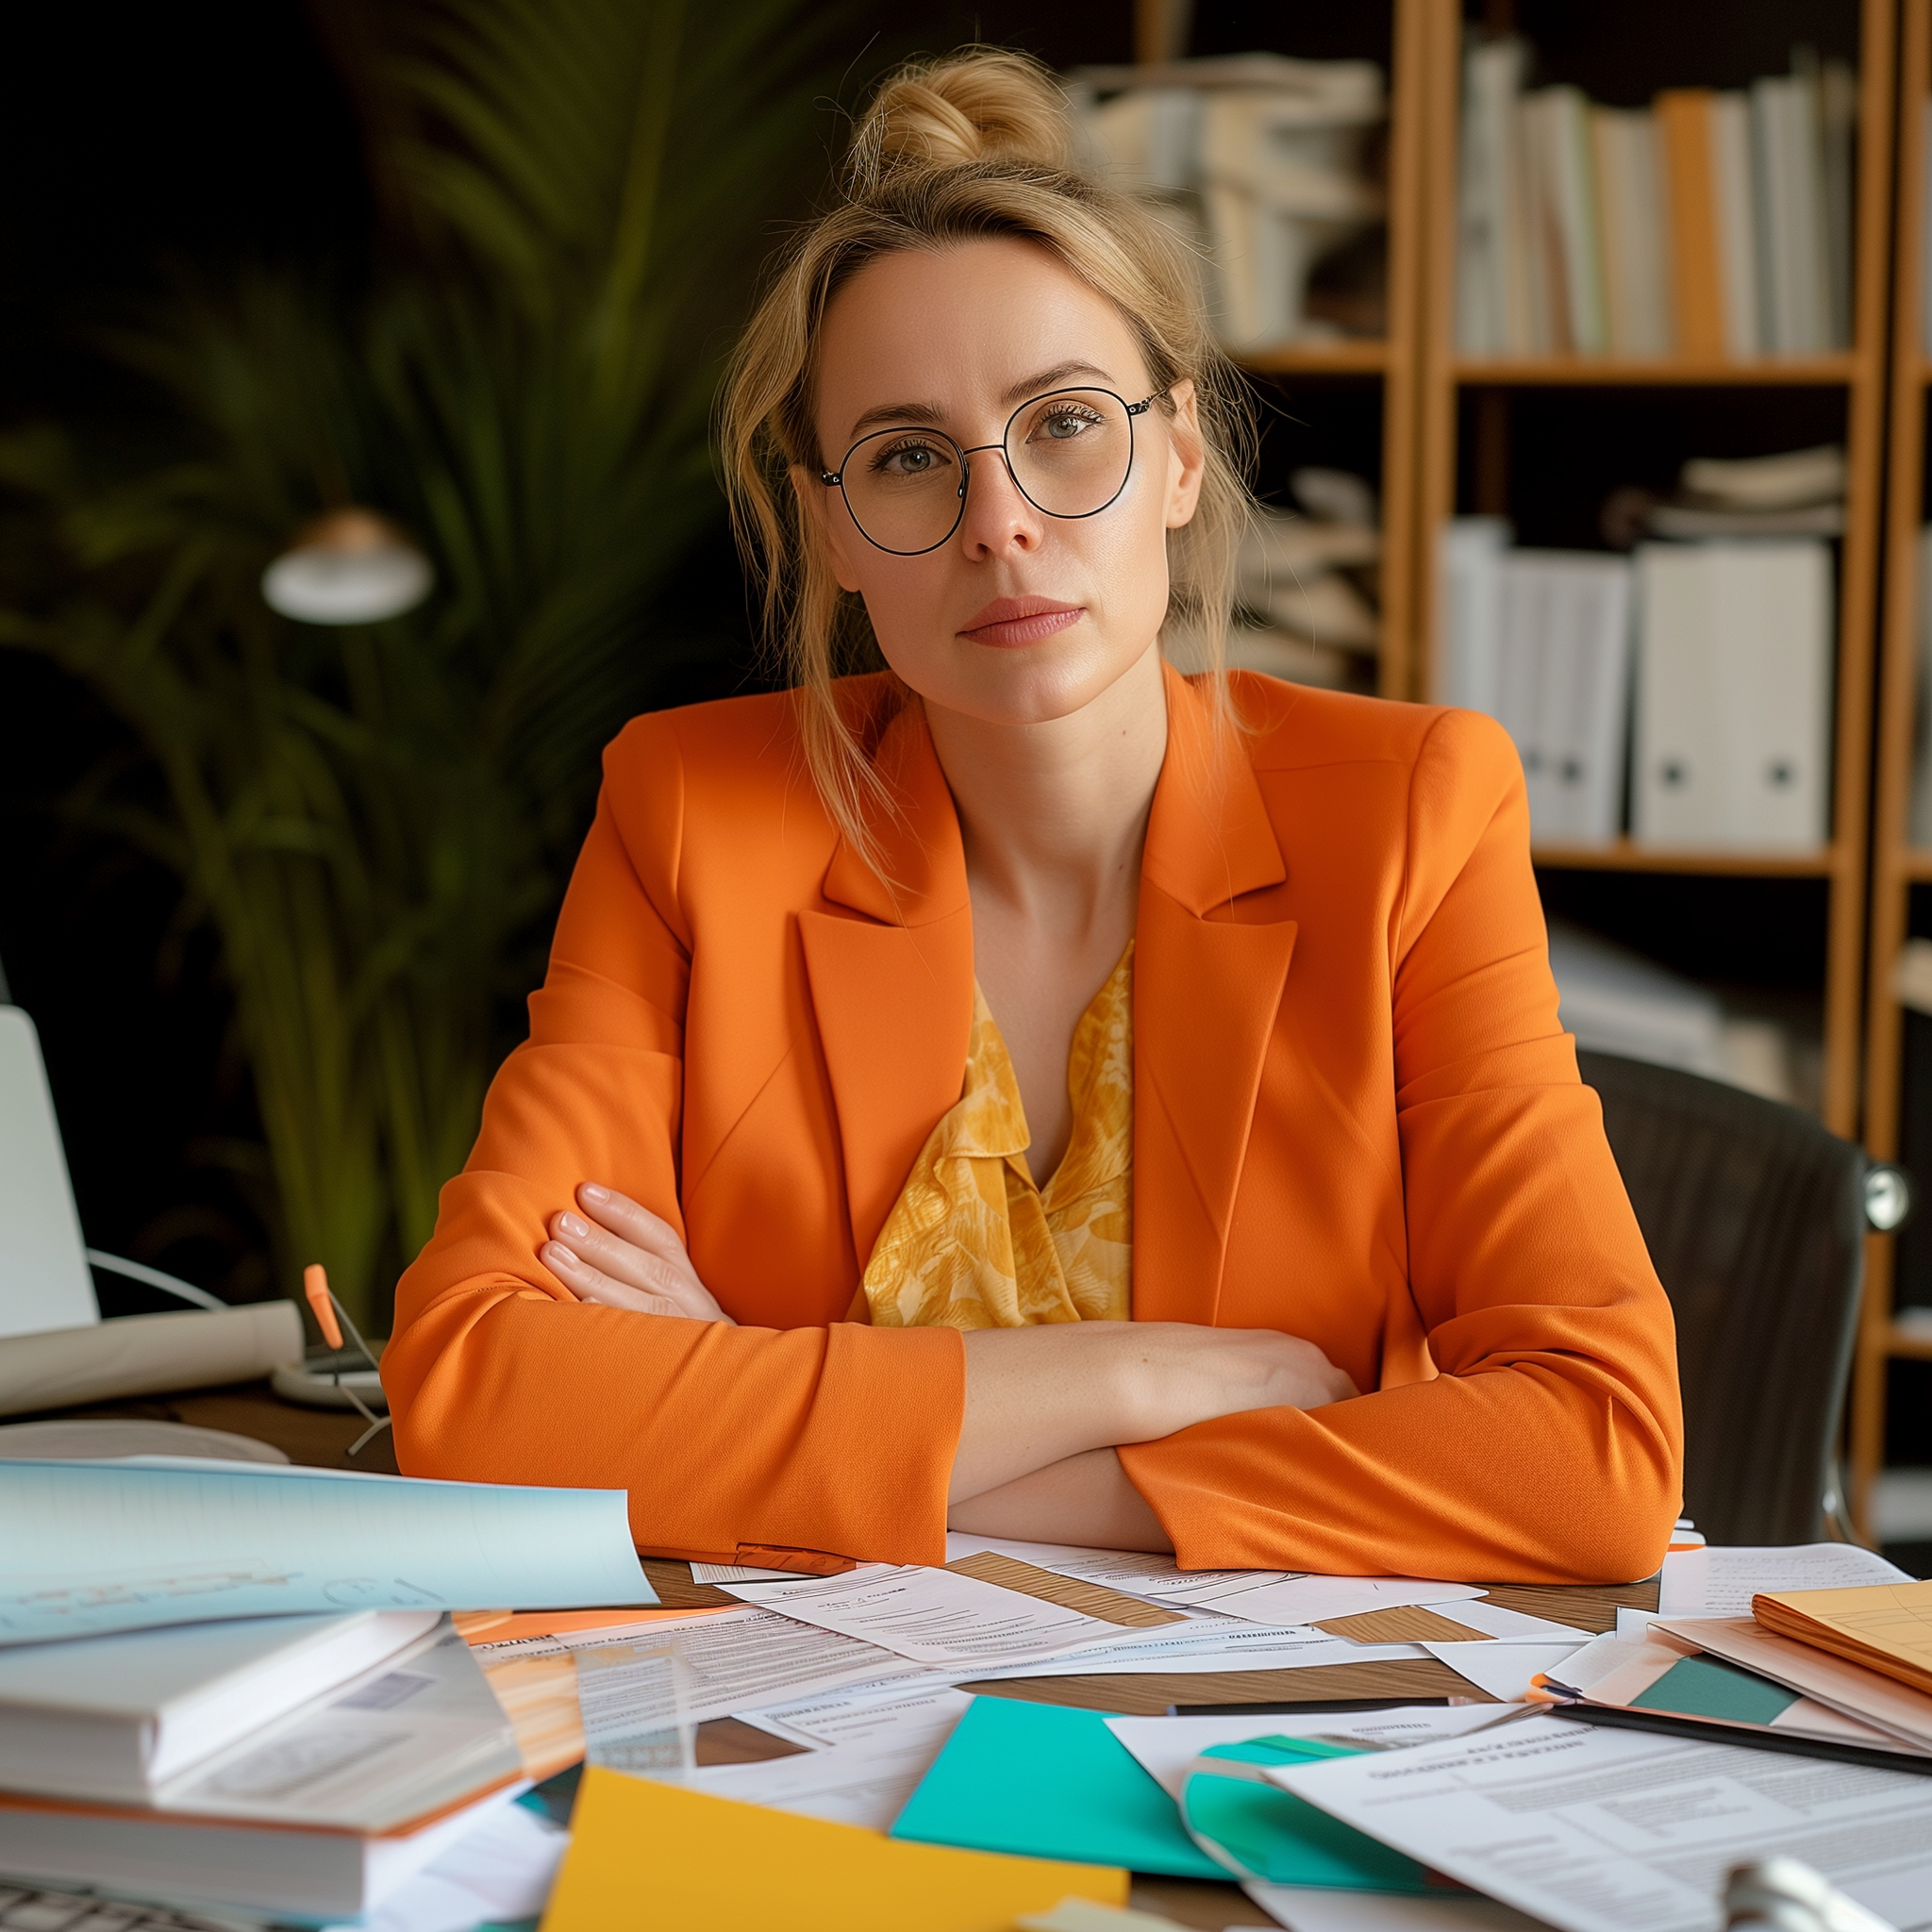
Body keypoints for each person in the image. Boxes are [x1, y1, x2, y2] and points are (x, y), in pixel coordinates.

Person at [383, 49, 1682, 1583]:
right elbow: (471, 1398)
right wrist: (1153, 1381)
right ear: (831, 528)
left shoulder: (1416, 818)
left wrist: (782, 1404)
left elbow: (1596, 1459)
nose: (999, 518)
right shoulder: (691, 817)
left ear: (1180, 458)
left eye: (1068, 422)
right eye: (910, 457)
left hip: (1270, 1745)